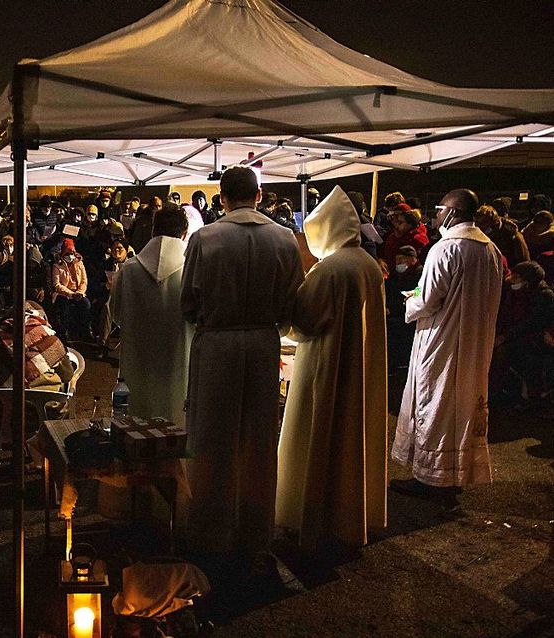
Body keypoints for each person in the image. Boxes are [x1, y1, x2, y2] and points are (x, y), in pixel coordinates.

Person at [180, 166, 303, 569]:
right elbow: (292, 303)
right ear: (260, 195)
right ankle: (256, 534)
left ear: (222, 197)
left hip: (218, 342)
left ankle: (211, 532)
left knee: (214, 438)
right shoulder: (285, 239)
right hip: (264, 343)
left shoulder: (205, 238)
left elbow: (188, 303)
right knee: (258, 441)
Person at [275, 186, 388, 551]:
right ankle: (349, 518)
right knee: (353, 438)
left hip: (326, 362)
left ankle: (312, 517)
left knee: (318, 436)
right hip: (359, 366)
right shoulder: (367, 264)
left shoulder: (330, 269)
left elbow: (303, 321)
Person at [391, 189, 504, 501]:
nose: (436, 215)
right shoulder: (490, 249)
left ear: (453, 212)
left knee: (436, 402)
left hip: (443, 340)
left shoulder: (447, 248)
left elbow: (428, 299)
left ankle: (430, 477)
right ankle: (454, 472)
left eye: (439, 209)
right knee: (461, 406)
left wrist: (411, 300)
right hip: (475, 342)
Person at [111, 206, 192, 422]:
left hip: (137, 358)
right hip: (178, 357)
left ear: (153, 230)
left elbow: (116, 313)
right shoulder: (190, 270)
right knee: (175, 420)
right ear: (184, 234)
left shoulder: (129, 269)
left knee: (138, 422)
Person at [492, 261, 554, 404]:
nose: (512, 279)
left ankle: (498, 391)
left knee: (503, 350)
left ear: (527, 281)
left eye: (517, 277)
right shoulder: (517, 293)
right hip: (519, 333)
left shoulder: (544, 296)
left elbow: (531, 324)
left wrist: (504, 337)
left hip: (535, 338)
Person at [385, 246, 422, 373]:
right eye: (397, 261)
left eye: (401, 260)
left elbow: (418, 293)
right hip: (398, 310)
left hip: (409, 313)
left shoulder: (420, 274)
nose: (398, 264)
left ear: (412, 260)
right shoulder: (397, 275)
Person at [51, 238, 91, 342]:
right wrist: (71, 294)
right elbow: (57, 284)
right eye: (67, 253)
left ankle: (85, 331)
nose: (70, 256)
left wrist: (80, 292)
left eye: (72, 253)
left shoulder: (79, 264)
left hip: (78, 293)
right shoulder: (57, 266)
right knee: (65, 308)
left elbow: (84, 280)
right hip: (63, 294)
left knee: (86, 305)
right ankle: (64, 333)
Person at [382, 204, 428, 269]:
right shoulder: (395, 235)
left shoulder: (418, 239)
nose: (397, 225)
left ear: (410, 224)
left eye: (400, 223)